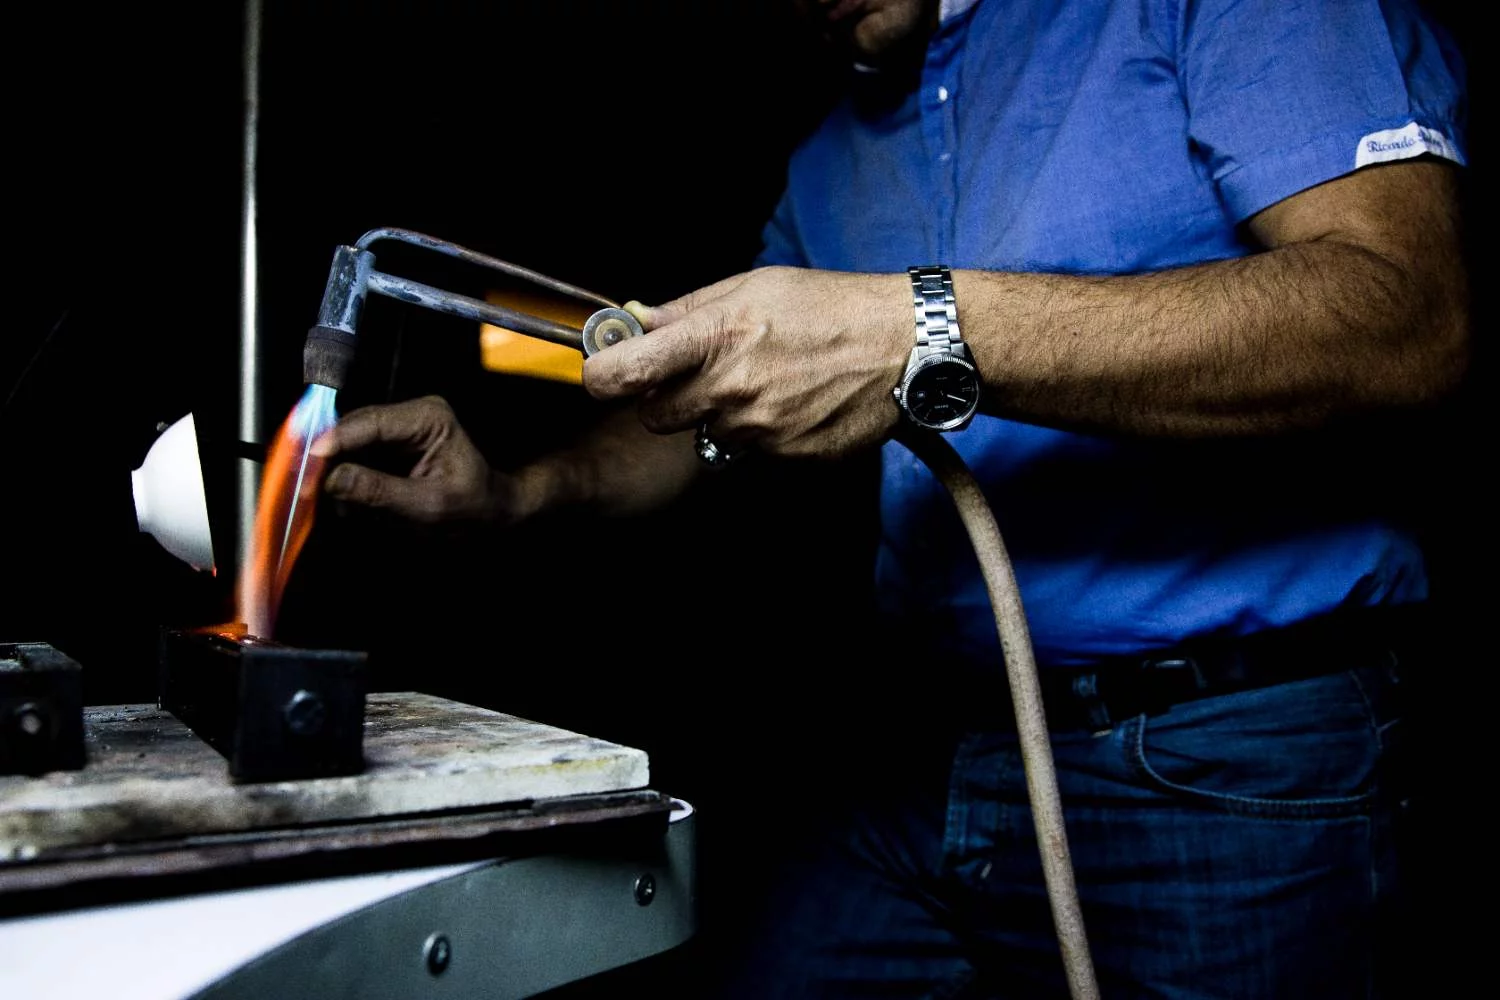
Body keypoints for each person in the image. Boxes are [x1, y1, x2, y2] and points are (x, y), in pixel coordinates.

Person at [311, 0, 1471, 995]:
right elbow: (707, 410)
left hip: (1224, 754)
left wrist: (919, 328)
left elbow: (1406, 318)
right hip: (920, 748)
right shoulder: (832, 153)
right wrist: (518, 490)